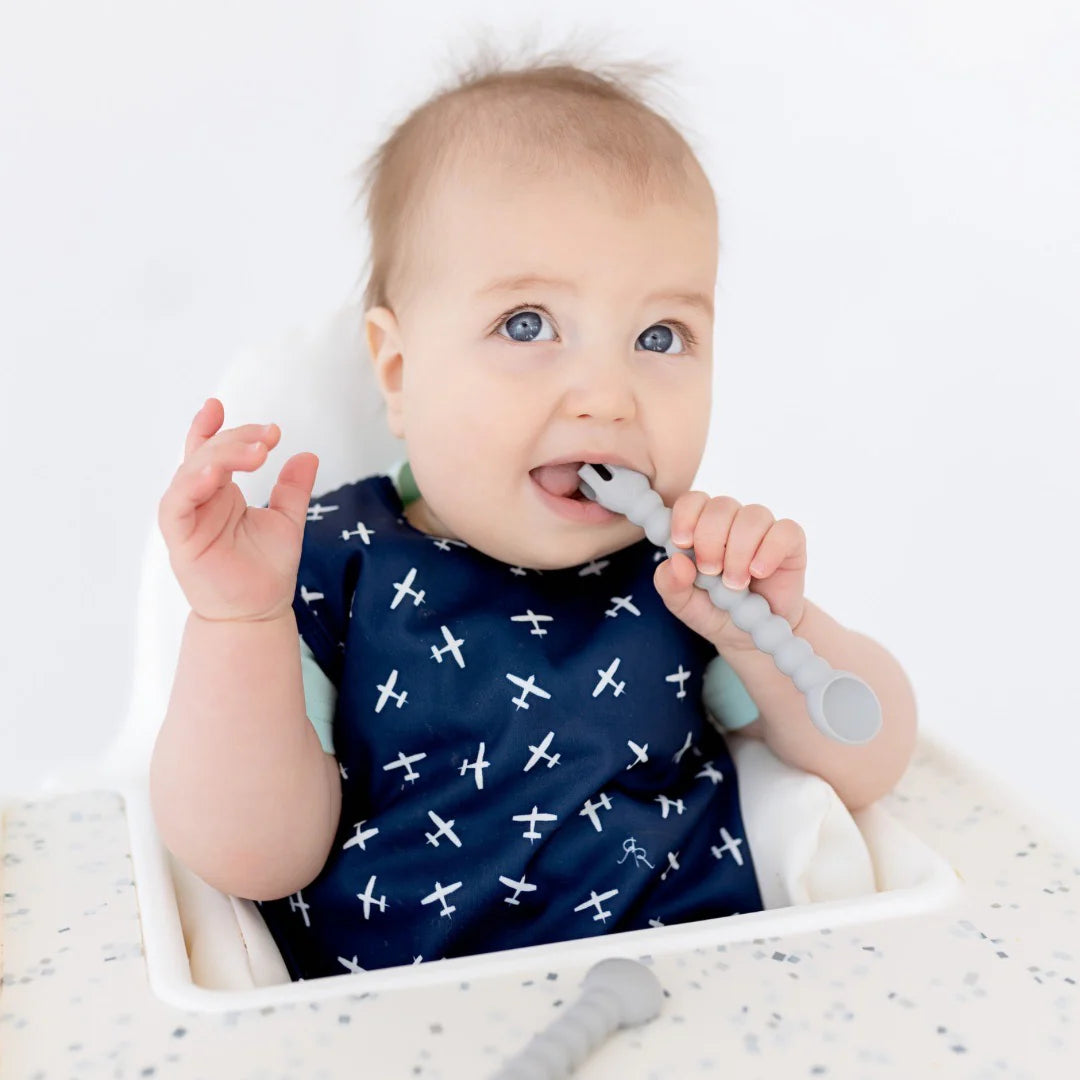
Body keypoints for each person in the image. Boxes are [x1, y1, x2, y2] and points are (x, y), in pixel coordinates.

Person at [150, 46, 918, 978]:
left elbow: (872, 761)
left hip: (700, 991)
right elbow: (250, 859)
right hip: (405, 1019)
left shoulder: (684, 574)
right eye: (527, 325)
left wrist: (775, 630)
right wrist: (238, 622)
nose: (608, 396)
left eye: (660, 336)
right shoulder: (324, 568)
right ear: (399, 371)